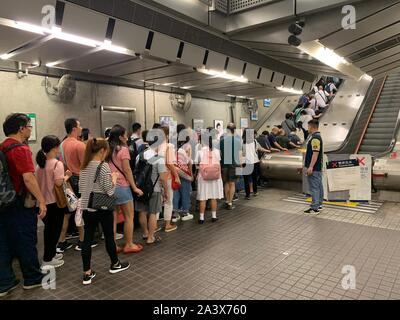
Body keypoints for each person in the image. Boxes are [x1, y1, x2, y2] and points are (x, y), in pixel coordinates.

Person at [0, 113, 48, 297]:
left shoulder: (3, 146)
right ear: (21, 128)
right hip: (19, 203)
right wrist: (41, 200)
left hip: (3, 202)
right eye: (29, 126)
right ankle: (32, 278)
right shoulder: (21, 149)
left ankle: (5, 282)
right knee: (26, 240)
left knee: (4, 242)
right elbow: (28, 178)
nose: (30, 129)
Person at [79, 138, 130, 285]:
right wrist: (114, 178)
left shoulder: (84, 166)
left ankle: (87, 273)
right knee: (109, 236)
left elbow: (82, 188)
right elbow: (109, 190)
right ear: (102, 150)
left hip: (87, 206)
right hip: (102, 207)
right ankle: (115, 264)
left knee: (87, 239)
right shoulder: (103, 166)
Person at [36, 136, 72, 271]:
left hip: (42, 203)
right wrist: (67, 176)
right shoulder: (57, 164)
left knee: (49, 231)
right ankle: (47, 259)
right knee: (53, 232)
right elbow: (58, 183)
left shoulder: (39, 164)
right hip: (54, 203)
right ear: (54, 148)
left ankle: (51, 255)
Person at [107, 125, 144, 254]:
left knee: (113, 218)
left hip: (110, 187)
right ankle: (129, 244)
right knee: (129, 216)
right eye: (125, 135)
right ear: (121, 137)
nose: (127, 137)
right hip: (122, 187)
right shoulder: (123, 150)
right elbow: (127, 170)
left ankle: (113, 245)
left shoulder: (107, 149)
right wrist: (134, 187)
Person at [57, 118, 91, 252]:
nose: (81, 127)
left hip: (68, 180)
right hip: (80, 181)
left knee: (68, 212)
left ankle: (62, 241)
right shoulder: (79, 145)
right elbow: (86, 167)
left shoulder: (62, 144)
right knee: (81, 211)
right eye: (79, 125)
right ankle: (82, 241)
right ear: (74, 129)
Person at [137, 130, 169, 244]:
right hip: (154, 189)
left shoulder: (139, 155)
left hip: (140, 189)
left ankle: (145, 233)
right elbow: (163, 178)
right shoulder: (159, 158)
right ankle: (151, 237)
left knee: (142, 211)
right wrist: (166, 192)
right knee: (153, 213)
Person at [197, 128, 224, 223]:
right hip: (215, 177)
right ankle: (214, 216)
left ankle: (201, 218)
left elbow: (197, 163)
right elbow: (219, 164)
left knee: (203, 198)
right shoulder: (216, 151)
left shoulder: (200, 151)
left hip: (203, 177)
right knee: (213, 196)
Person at [158, 126, 180, 232]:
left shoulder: (156, 146)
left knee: (158, 201)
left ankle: (155, 225)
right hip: (167, 176)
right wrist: (176, 176)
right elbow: (170, 163)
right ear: (167, 135)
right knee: (168, 200)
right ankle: (167, 224)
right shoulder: (169, 146)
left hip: (157, 177)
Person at [172, 124, 194, 222]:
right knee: (185, 192)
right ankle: (185, 212)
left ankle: (175, 214)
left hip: (174, 170)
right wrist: (191, 173)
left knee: (175, 192)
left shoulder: (172, 142)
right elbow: (189, 161)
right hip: (184, 171)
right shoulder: (187, 145)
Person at [242, 129, 270, 200]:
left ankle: (247, 195)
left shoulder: (242, 142)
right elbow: (260, 149)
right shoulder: (254, 141)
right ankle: (255, 191)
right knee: (254, 178)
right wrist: (268, 150)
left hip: (246, 162)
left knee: (246, 179)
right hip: (254, 162)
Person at [220, 123, 242, 210]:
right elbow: (239, 155)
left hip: (224, 164)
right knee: (232, 183)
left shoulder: (221, 141)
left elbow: (220, 154)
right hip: (234, 164)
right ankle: (230, 202)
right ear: (234, 130)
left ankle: (226, 201)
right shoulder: (237, 141)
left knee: (226, 182)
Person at [304, 120, 324, 215]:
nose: (307, 128)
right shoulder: (317, 137)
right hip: (318, 168)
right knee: (319, 186)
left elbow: (315, 154)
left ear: (311, 127)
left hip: (315, 168)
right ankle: (319, 205)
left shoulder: (315, 138)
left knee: (314, 188)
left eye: (308, 127)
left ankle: (314, 208)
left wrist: (310, 167)